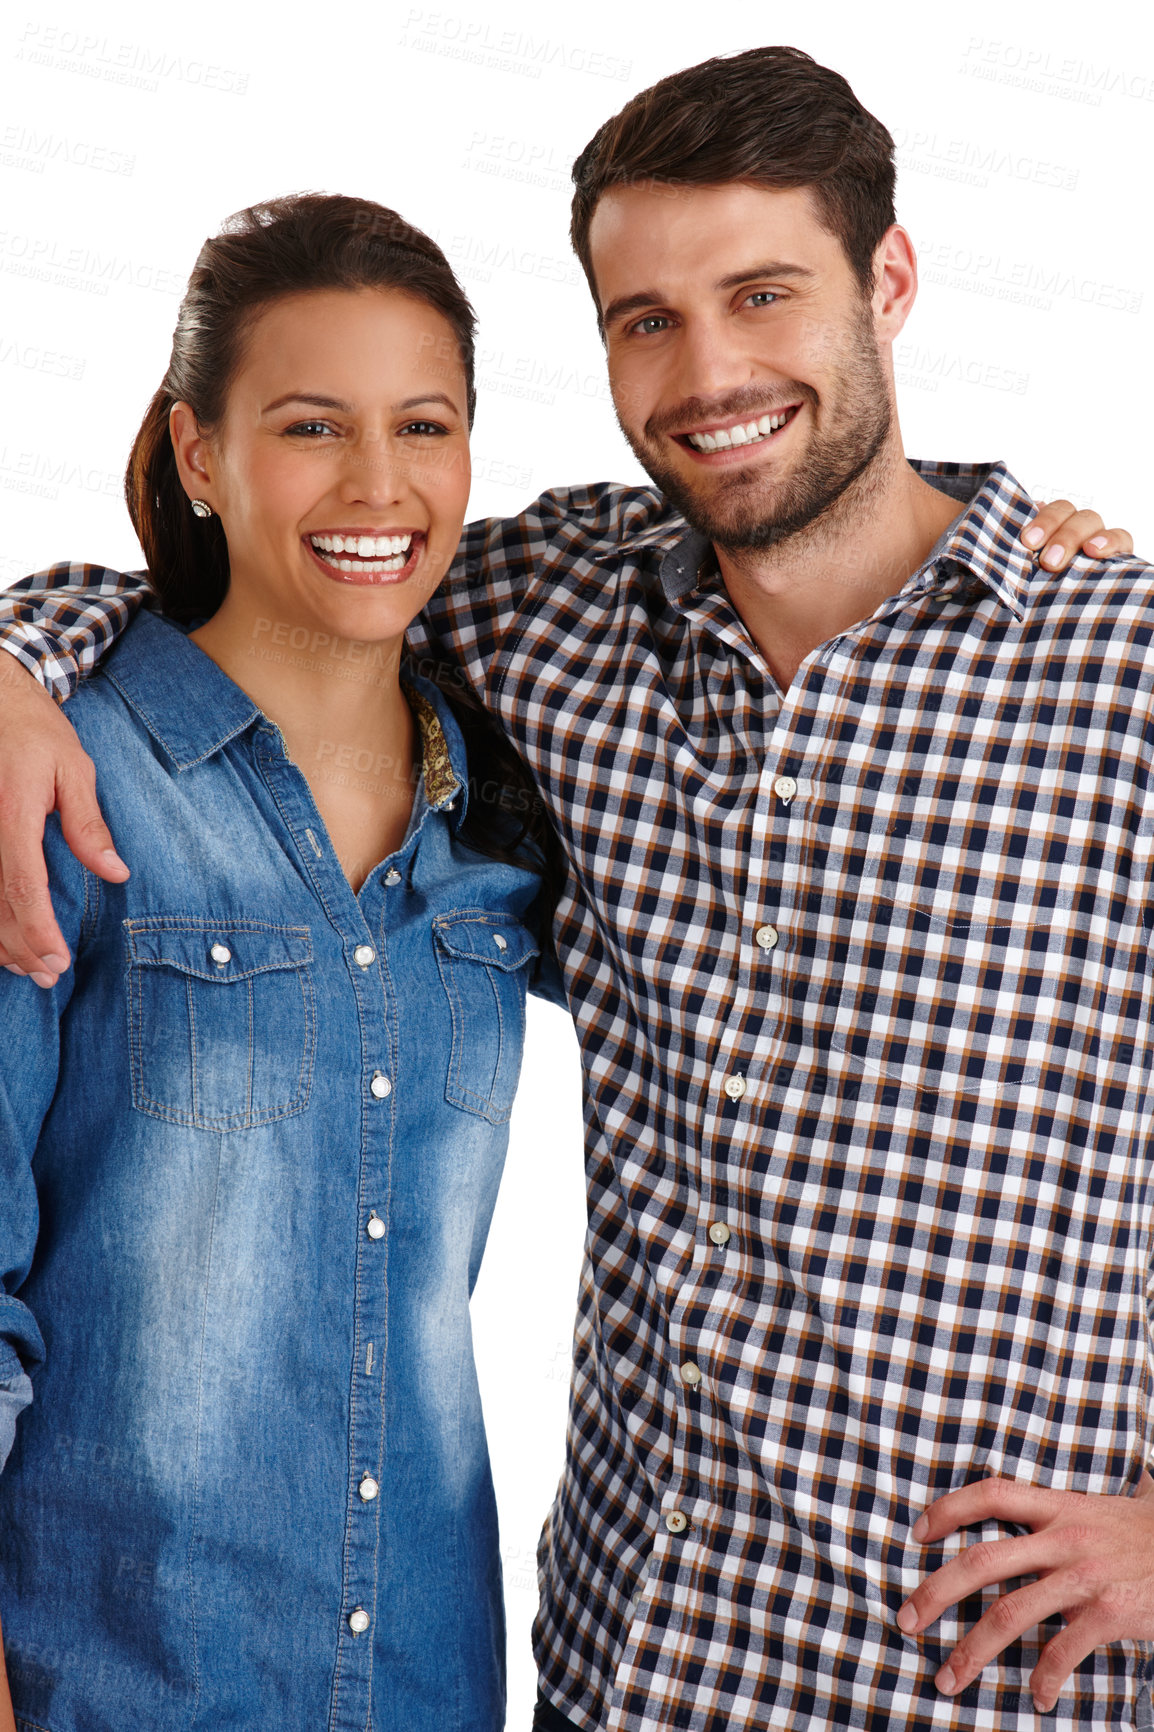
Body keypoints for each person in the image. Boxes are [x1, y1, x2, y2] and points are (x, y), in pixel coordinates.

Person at [0, 45, 1148, 1732]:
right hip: (623, 1680)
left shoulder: (1117, 673)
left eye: (762, 294)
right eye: (645, 319)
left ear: (888, 281)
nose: (708, 371)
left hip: (975, 1691)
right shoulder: (554, 620)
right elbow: (252, 584)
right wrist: (11, 659)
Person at [0, 191, 564, 1732]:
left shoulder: (501, 833)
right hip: (113, 1688)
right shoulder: (57, 787)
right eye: (311, 426)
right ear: (199, 452)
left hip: (427, 1686)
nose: (378, 485)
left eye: (424, 426)